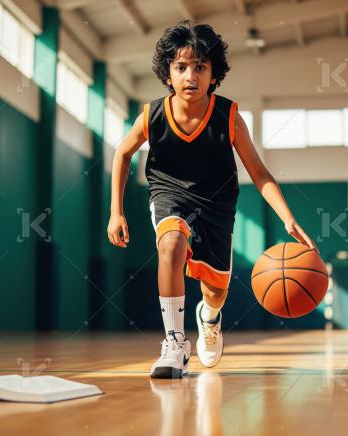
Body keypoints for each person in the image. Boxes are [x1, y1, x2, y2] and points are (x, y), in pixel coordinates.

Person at [107, 20, 316, 379]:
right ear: (168, 74)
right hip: (169, 194)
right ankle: (174, 343)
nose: (190, 75)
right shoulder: (152, 115)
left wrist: (288, 217)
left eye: (200, 67)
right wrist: (116, 212)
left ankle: (210, 316)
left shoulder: (229, 116)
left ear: (214, 74)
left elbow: (259, 173)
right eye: (181, 67)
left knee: (216, 291)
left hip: (217, 205)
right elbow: (122, 154)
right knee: (170, 243)